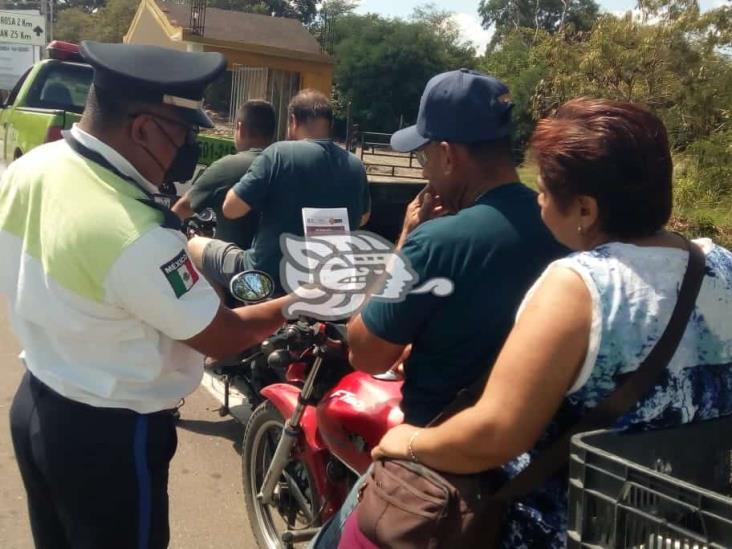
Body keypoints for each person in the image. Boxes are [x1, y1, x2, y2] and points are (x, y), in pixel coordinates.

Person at [371, 98, 732, 547]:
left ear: (585, 210)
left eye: (542, 191)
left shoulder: (579, 285)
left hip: (564, 530)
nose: (537, 201)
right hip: (683, 527)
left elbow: (495, 435)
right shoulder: (718, 263)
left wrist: (407, 442)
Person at [1, 41, 290, 549]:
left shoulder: (34, 166)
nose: (189, 147)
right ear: (141, 128)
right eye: (183, 132)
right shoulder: (134, 232)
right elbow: (223, 337)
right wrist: (299, 301)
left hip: (39, 400)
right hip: (109, 438)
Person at [311, 68, 567, 547]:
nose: (424, 167)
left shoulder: (439, 240)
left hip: (437, 465)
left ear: (447, 154)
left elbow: (368, 353)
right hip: (536, 468)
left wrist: (406, 240)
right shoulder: (561, 224)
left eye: (425, 153)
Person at [188, 89, 371, 294]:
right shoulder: (356, 166)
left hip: (263, 281)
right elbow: (363, 218)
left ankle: (221, 322)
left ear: (293, 120)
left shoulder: (279, 153)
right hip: (326, 286)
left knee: (194, 246)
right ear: (329, 123)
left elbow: (231, 209)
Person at [173, 99, 276, 250]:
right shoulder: (287, 166)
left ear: (240, 128)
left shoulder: (227, 167)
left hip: (232, 266)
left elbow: (180, 210)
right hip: (279, 264)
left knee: (194, 244)